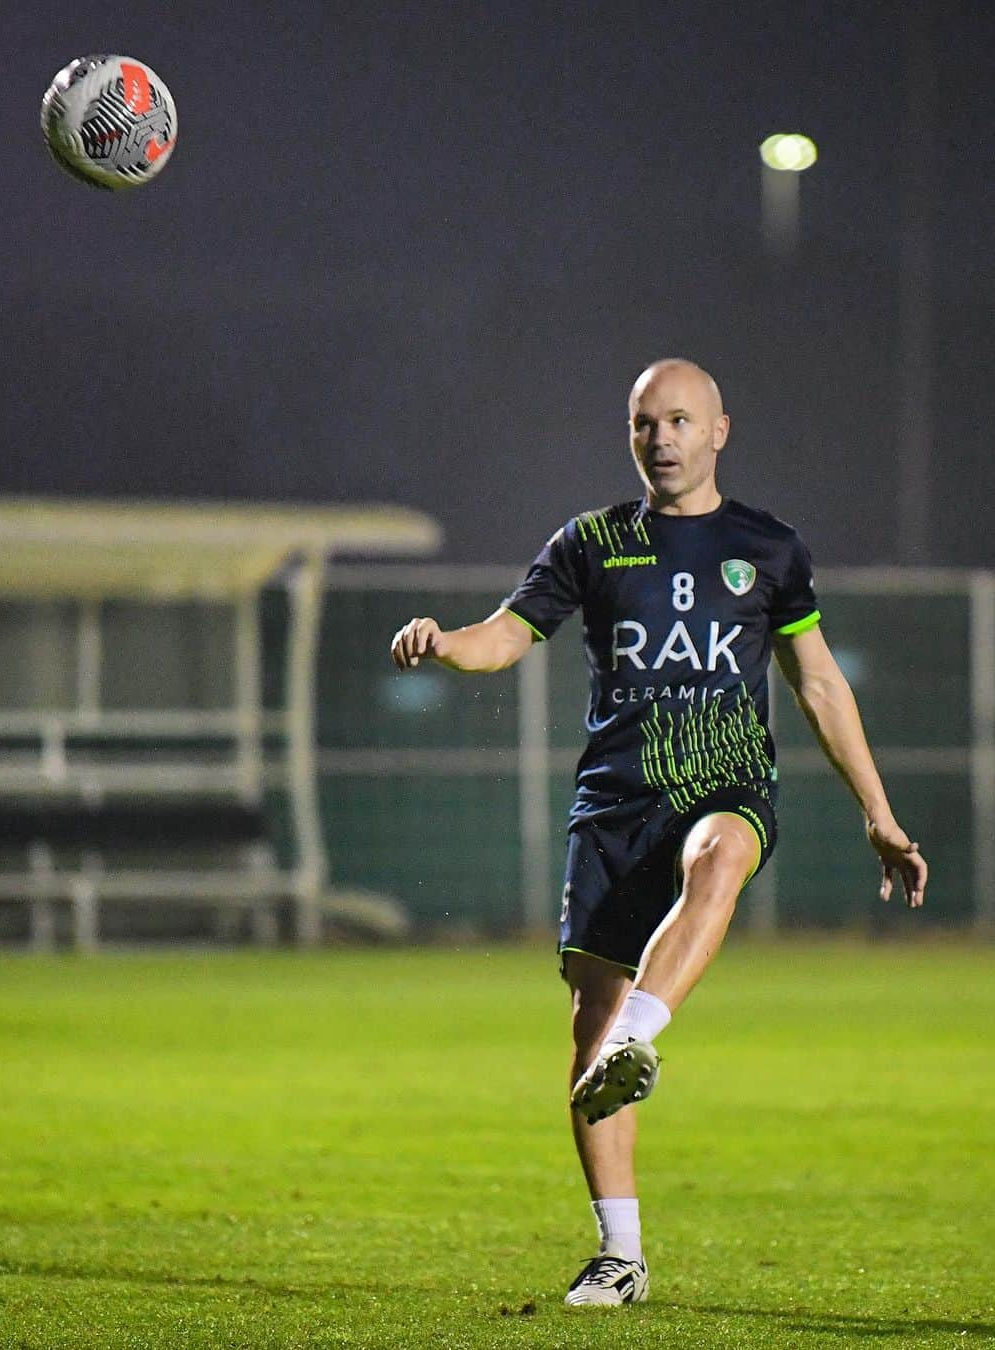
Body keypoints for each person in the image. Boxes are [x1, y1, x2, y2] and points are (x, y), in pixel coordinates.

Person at [389, 358, 927, 1308]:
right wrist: (445, 642)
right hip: (615, 805)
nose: (663, 439)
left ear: (721, 429)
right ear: (630, 435)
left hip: (723, 781)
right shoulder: (591, 542)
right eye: (645, 424)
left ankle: (644, 1033)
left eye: (681, 421)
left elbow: (818, 682)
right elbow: (506, 636)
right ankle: (621, 1254)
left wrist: (878, 815)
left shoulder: (768, 547)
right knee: (586, 1030)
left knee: (720, 858)